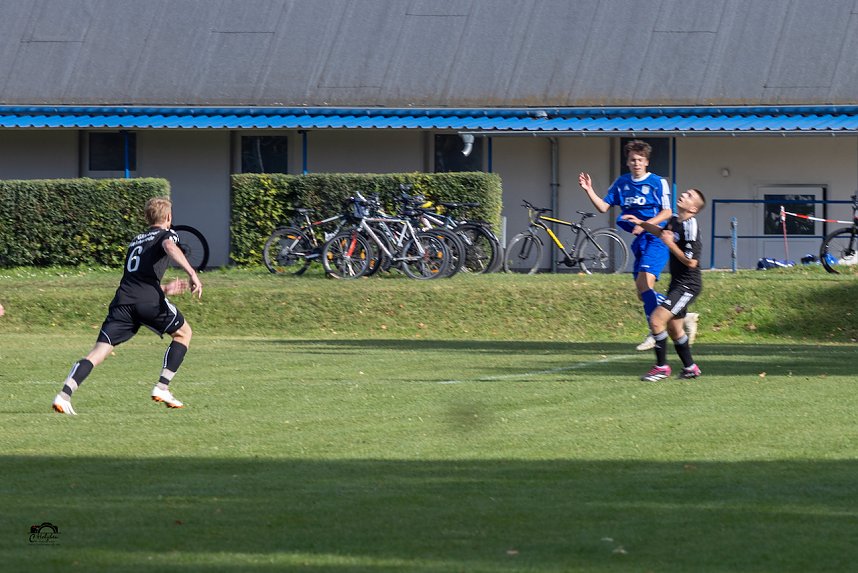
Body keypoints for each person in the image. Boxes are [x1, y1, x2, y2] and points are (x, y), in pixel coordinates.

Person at [52, 197, 202, 415]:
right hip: (147, 301)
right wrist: (192, 273)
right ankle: (162, 387)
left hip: (123, 302)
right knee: (183, 333)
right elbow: (169, 246)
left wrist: (165, 290)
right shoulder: (167, 234)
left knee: (98, 352)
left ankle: (63, 395)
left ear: (146, 217)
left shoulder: (136, 240)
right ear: (169, 217)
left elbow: (137, 280)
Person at [579, 140, 682, 349]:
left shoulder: (657, 182)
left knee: (645, 284)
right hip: (640, 241)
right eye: (632, 160)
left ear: (647, 162)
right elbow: (603, 207)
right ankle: (677, 312)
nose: (636, 163)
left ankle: (655, 331)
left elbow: (667, 212)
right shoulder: (622, 183)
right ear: (627, 162)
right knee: (642, 291)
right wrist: (589, 189)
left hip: (657, 238)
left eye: (640, 160)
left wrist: (644, 225)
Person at [622, 188, 706, 380]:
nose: (684, 195)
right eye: (685, 192)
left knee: (656, 320)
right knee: (675, 330)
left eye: (689, 196)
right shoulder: (675, 220)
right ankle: (690, 368)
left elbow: (692, 262)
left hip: (688, 285)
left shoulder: (691, 226)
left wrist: (670, 244)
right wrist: (641, 223)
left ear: (693, 209)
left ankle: (661, 368)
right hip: (677, 283)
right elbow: (661, 233)